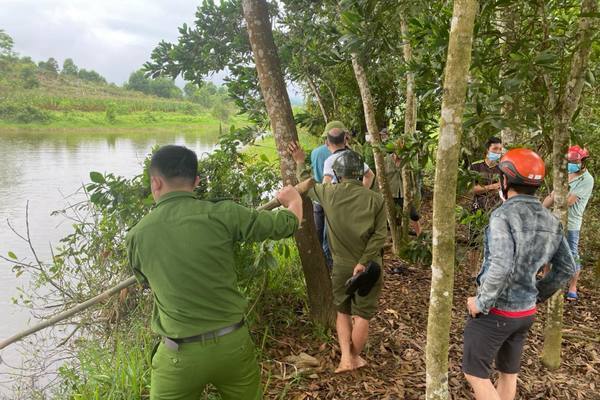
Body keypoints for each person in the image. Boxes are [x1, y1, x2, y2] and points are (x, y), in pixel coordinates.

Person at [125, 145, 302, 400]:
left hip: (179, 356)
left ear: (155, 182)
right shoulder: (223, 213)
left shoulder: (137, 236)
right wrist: (294, 200)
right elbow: (286, 224)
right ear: (196, 182)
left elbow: (146, 281)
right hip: (233, 345)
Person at [463, 148, 576, 400]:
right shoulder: (550, 220)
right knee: (508, 373)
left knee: (475, 373)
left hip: (498, 311)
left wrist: (480, 303)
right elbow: (567, 267)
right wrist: (536, 296)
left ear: (505, 180)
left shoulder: (502, 215)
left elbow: (501, 265)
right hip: (525, 313)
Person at [289, 142, 386, 374]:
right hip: (370, 266)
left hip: (341, 265)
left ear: (338, 174)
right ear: (360, 173)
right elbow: (380, 236)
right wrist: (363, 261)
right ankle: (355, 357)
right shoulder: (375, 199)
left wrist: (300, 160)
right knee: (362, 315)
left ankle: (345, 358)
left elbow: (308, 182)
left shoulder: (329, 194)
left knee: (342, 310)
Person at [542, 145, 594, 301]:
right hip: (555, 220)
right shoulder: (565, 174)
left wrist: (555, 195)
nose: (572, 164)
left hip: (572, 223)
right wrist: (540, 209)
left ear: (583, 161)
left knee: (572, 255)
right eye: (570, 161)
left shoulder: (587, 179)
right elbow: (550, 197)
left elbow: (569, 201)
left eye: (575, 161)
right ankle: (545, 282)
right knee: (549, 250)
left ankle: (572, 286)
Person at [467, 137, 504, 273]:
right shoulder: (475, 166)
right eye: (495, 149)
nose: (498, 152)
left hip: (497, 209)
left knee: (494, 242)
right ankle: (473, 272)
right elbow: (472, 189)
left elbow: (504, 189)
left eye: (500, 149)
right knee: (475, 241)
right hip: (478, 208)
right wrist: (492, 186)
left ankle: (490, 270)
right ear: (487, 150)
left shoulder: (502, 169)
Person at [310, 122, 337, 269]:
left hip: (318, 199)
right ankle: (330, 263)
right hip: (333, 199)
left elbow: (314, 173)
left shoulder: (315, 152)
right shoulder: (340, 153)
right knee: (330, 234)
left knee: (319, 231)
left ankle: (321, 263)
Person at [322, 122, 375, 189]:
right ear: (345, 139)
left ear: (327, 142)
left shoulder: (330, 161)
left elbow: (325, 185)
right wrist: (361, 191)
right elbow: (370, 175)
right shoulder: (354, 157)